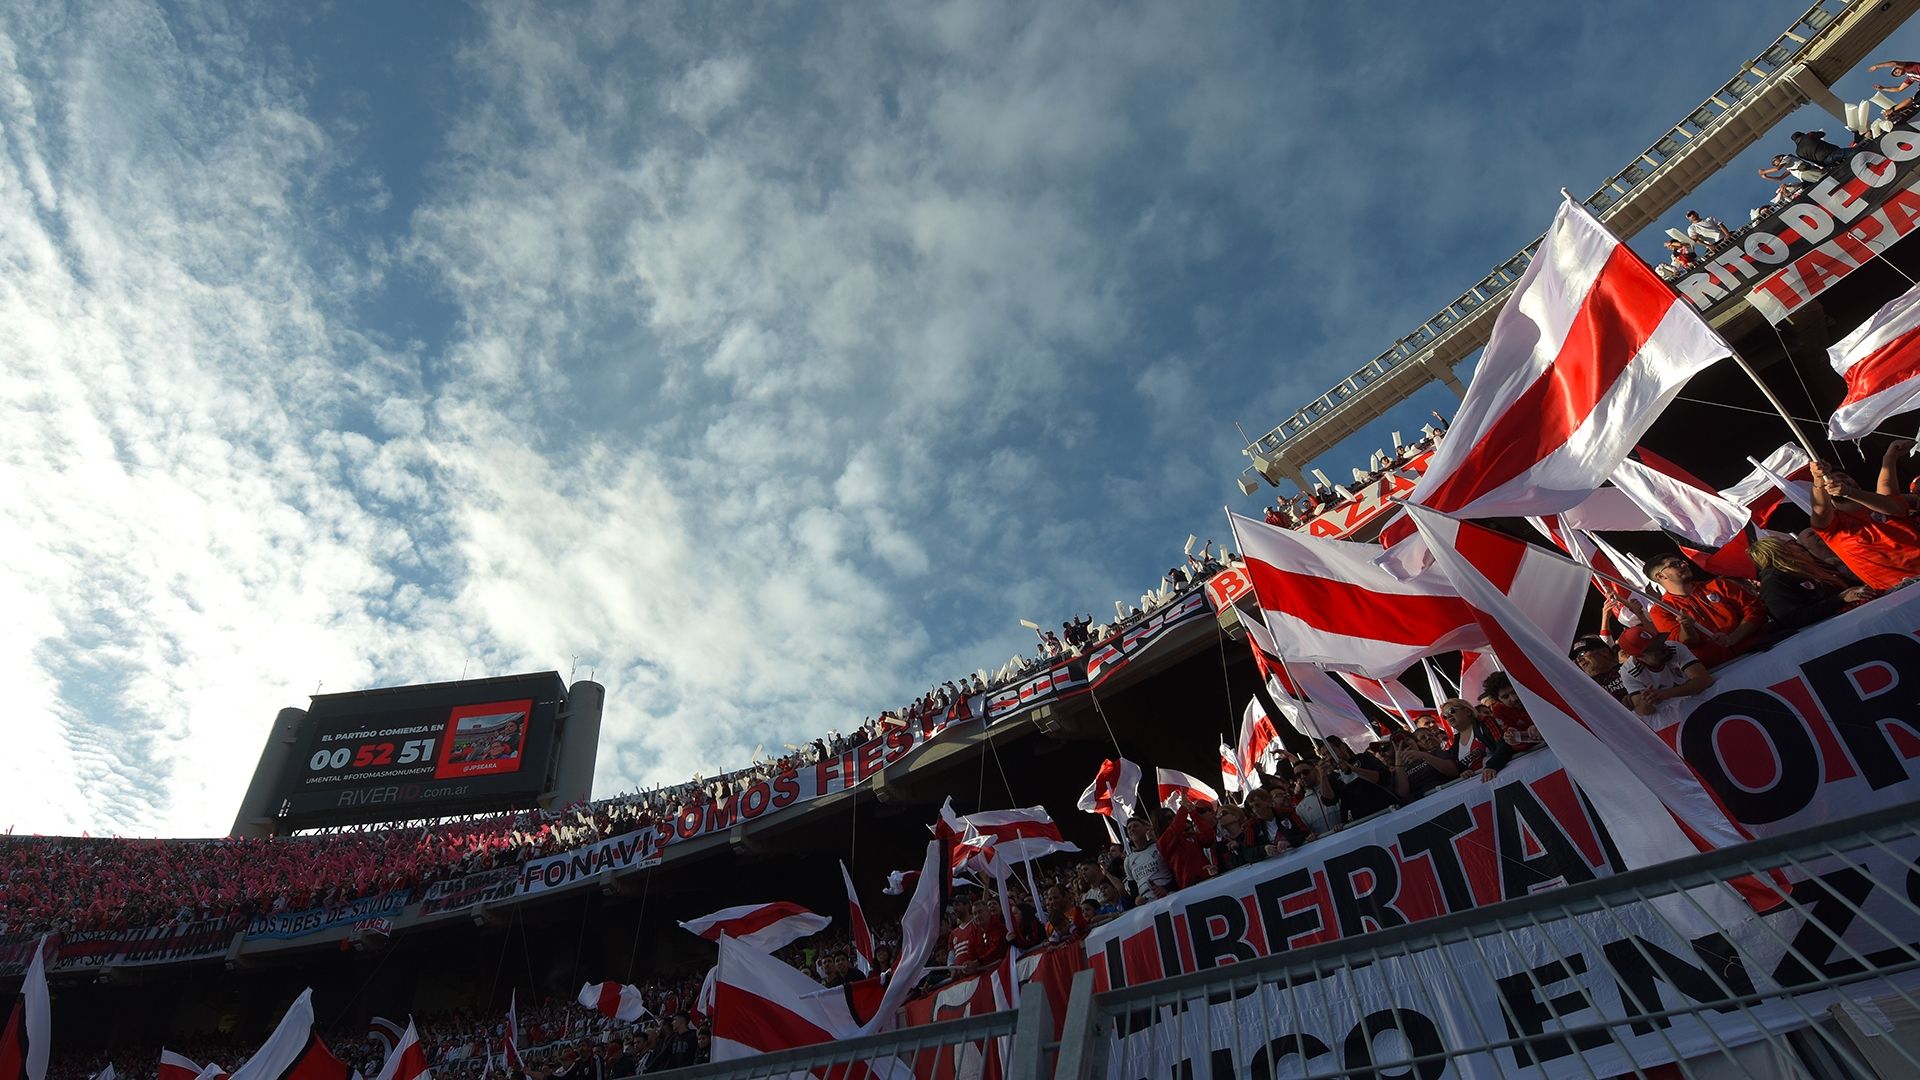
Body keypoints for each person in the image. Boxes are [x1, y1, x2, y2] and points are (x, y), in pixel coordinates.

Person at [1808, 459, 1920, 590]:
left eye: (1843, 477)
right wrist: (1819, 479)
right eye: (1831, 479)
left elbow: (1896, 508)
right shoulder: (1832, 527)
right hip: (1900, 591)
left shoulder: (1880, 503)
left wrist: (1849, 492)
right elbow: (1819, 509)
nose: (1839, 481)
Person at [1643, 554, 1769, 668]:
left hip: (1761, 651)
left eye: (1682, 562)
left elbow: (1756, 610)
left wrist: (1734, 637)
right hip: (1723, 671)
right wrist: (1686, 627)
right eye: (1675, 564)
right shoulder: (1661, 610)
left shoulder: (1719, 585)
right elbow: (1684, 645)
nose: (1684, 564)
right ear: (1660, 576)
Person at [1748, 536, 1874, 630]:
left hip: (1856, 619)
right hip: (1833, 631)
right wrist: (1840, 599)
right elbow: (1792, 619)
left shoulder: (1807, 567)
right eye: (1789, 543)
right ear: (1779, 551)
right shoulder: (1774, 581)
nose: (1796, 545)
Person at [1616, 627, 1714, 715]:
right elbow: (1642, 710)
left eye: (1659, 642)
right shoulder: (1629, 672)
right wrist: (1647, 700)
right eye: (1654, 648)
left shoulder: (1674, 647)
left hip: (1704, 701)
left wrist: (1666, 693)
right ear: (1639, 656)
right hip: (1677, 715)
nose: (1662, 648)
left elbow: (1704, 679)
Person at [1122, 817, 1173, 902]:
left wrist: (1166, 889)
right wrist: (1136, 899)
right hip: (1147, 904)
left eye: (1136, 826)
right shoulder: (1128, 860)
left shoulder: (1159, 846)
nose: (1132, 829)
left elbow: (1176, 871)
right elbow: (1133, 887)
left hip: (1170, 896)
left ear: (1146, 829)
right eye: (1129, 828)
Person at [1570, 635, 1630, 704]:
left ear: (1604, 651)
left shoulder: (1630, 668)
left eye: (1582, 654)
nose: (1579, 660)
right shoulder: (1585, 691)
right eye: (1576, 658)